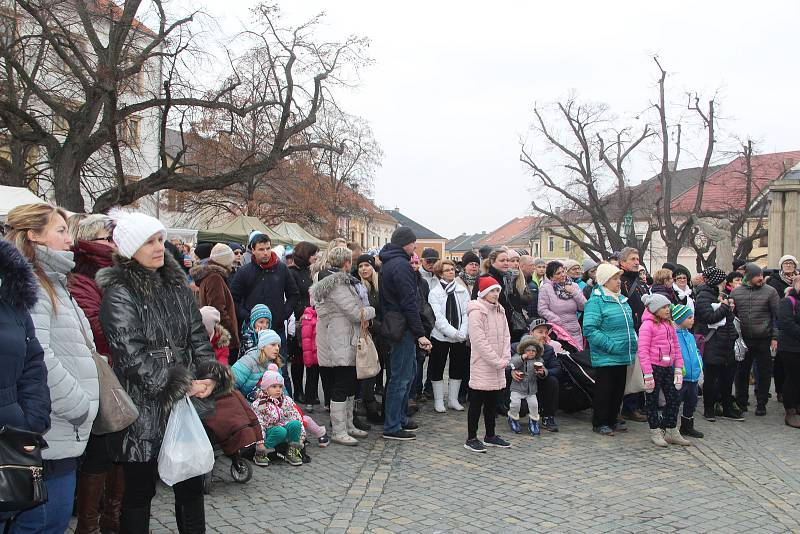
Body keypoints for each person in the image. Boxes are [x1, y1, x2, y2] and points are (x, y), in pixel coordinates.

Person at [98, 210, 229, 534]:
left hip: (183, 406)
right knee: (140, 492)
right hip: (142, 408)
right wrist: (180, 384)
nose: (159, 247)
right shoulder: (119, 293)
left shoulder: (178, 287)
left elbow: (198, 339)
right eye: (149, 241)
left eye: (160, 239)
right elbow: (130, 355)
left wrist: (210, 374)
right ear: (130, 248)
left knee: (191, 487)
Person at [6, 204, 100, 534]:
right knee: (41, 523)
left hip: (62, 431)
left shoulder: (57, 282)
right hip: (52, 428)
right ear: (34, 235)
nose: (69, 238)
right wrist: (79, 406)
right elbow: (39, 358)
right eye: (60, 231)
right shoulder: (31, 285)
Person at [67, 215, 125, 534]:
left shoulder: (118, 274)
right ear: (92, 240)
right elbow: (97, 329)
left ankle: (112, 517)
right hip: (101, 372)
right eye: (108, 237)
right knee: (101, 451)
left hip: (123, 372)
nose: (115, 242)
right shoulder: (82, 277)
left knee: (120, 449)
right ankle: (88, 524)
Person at [0, 239, 50, 530]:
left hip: (10, 440)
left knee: (31, 521)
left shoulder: (11, 297)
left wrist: (30, 419)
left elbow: (33, 363)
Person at [310, 247, 376, 446]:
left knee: (349, 385)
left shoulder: (337, 281)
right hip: (342, 337)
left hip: (345, 336)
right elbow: (355, 313)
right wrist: (372, 310)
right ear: (346, 263)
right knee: (342, 384)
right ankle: (339, 429)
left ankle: (347, 425)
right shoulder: (337, 284)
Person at [379, 227, 431, 441]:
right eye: (413, 242)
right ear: (405, 243)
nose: (415, 246)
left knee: (406, 375)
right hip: (402, 328)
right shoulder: (400, 265)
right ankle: (392, 425)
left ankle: (399, 418)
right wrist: (420, 333)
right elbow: (409, 302)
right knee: (400, 378)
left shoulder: (392, 263)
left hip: (399, 325)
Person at [231, 233, 299, 391]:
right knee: (253, 369)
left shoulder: (281, 269)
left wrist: (283, 313)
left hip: (276, 329)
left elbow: (293, 295)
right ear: (253, 250)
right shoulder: (245, 271)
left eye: (268, 248)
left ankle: (286, 407)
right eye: (261, 249)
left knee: (280, 370)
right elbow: (233, 298)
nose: (266, 253)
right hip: (253, 331)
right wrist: (247, 317)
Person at [583, 263, 638, 436]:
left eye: (618, 278)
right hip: (606, 355)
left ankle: (613, 419)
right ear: (605, 281)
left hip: (623, 354)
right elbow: (590, 329)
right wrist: (611, 345)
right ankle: (600, 422)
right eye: (615, 278)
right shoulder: (596, 301)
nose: (619, 281)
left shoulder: (621, 299)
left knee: (618, 389)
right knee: (605, 390)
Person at [464, 277, 512, 453]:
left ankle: (490, 435)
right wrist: (497, 360)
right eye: (492, 291)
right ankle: (471, 437)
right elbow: (479, 341)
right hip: (483, 364)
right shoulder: (477, 311)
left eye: (497, 290)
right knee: (477, 401)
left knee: (493, 401)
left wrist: (505, 356)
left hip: (498, 364)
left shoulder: (500, 310)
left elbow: (506, 335)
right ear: (484, 292)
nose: (495, 294)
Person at [637, 294, 690, 447]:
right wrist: (647, 373)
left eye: (668, 307)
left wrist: (679, 368)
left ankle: (671, 429)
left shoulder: (669, 324)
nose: (668, 310)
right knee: (652, 401)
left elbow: (676, 347)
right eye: (664, 307)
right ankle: (655, 430)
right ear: (655, 309)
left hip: (668, 367)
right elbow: (643, 351)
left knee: (674, 397)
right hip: (653, 367)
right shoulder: (647, 326)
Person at [694, 267, 742, 422]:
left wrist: (728, 308)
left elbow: (726, 318)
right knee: (711, 378)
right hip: (713, 342)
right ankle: (709, 409)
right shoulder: (704, 295)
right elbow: (709, 317)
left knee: (727, 378)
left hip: (726, 341)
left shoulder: (717, 294)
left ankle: (727, 407)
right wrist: (725, 307)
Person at [731, 263, 780, 416]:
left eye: (761, 275)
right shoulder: (736, 292)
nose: (760, 278)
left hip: (763, 338)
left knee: (764, 372)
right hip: (744, 338)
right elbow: (733, 316)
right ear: (749, 277)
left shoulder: (770, 292)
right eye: (757, 275)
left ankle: (761, 403)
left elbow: (776, 316)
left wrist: (774, 337)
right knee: (742, 372)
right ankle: (741, 401)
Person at [427, 259, 470, 413]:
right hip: (441, 336)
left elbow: (466, 312)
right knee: (438, 366)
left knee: (457, 366)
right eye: (447, 270)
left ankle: (453, 399)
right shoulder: (435, 292)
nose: (451, 272)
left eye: (452, 269)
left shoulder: (462, 290)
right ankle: (439, 400)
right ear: (440, 273)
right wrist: (453, 332)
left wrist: (463, 332)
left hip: (460, 335)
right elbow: (438, 317)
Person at [190, 243, 240, 363]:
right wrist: (232, 336)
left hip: (217, 336)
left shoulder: (210, 276)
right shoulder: (215, 278)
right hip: (222, 339)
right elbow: (218, 311)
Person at [251, 364, 305, 467]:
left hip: (283, 427)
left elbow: (295, 416)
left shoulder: (286, 400)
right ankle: (261, 453)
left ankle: (292, 450)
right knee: (280, 431)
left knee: (295, 424)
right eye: (274, 386)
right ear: (266, 389)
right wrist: (260, 443)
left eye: (280, 386)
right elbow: (259, 424)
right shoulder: (260, 404)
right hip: (269, 431)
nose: (278, 390)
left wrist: (301, 438)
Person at [617, 247, 648, 423]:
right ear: (623, 263)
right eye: (633, 259)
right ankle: (627, 407)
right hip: (629, 330)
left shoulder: (640, 282)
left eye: (638, 259)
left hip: (643, 330)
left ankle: (636, 405)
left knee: (639, 370)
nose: (637, 262)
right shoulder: (621, 282)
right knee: (629, 371)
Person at [288, 241, 320, 407]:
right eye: (313, 254)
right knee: (298, 358)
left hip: (311, 318)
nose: (315, 257)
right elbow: (293, 296)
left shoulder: (310, 272)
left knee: (310, 356)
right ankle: (298, 390)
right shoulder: (292, 273)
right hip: (299, 318)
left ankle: (310, 392)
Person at [356, 254, 386, 423]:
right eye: (360, 266)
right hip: (366, 335)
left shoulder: (379, 285)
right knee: (367, 372)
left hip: (381, 334)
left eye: (367, 265)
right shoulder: (359, 287)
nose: (364, 269)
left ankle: (372, 402)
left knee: (377, 370)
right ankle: (369, 405)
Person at [537, 261, 586, 350]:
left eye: (563, 271)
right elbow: (542, 309)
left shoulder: (573, 285)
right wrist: (557, 320)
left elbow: (584, 307)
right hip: (558, 330)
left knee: (578, 357)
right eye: (558, 273)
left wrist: (574, 292)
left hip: (575, 328)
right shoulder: (546, 288)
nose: (563, 275)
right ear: (551, 277)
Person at [768, 254, 797, 401]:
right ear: (781, 265)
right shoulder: (775, 281)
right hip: (781, 321)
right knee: (780, 361)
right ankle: (780, 390)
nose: (788, 265)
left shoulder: (798, 278)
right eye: (786, 263)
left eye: (791, 263)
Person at [524, 318, 562, 432]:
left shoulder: (549, 350)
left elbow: (557, 369)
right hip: (522, 386)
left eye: (546, 332)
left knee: (552, 381)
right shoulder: (518, 347)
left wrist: (544, 372)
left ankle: (548, 416)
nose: (544, 335)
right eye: (540, 332)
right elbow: (508, 366)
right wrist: (514, 371)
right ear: (531, 333)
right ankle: (513, 414)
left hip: (540, 386)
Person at [672, 304, 704, 438]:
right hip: (681, 376)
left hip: (693, 376)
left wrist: (700, 367)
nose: (692, 320)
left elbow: (696, 353)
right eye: (689, 318)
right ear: (680, 319)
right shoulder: (673, 335)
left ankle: (687, 425)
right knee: (675, 402)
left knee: (692, 402)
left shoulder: (690, 336)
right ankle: (670, 426)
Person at [507, 336, 544, 436]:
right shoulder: (517, 357)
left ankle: (534, 421)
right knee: (515, 404)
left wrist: (542, 372)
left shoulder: (539, 360)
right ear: (523, 350)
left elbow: (544, 371)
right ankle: (513, 417)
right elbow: (511, 364)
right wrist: (521, 358)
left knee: (534, 405)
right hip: (517, 387)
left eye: (533, 350)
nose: (531, 352)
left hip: (531, 390)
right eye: (528, 350)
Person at [232, 329, 283, 400]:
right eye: (273, 345)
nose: (277, 348)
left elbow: (282, 389)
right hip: (245, 405)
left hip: (269, 406)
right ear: (262, 346)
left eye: (278, 346)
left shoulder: (276, 364)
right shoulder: (248, 361)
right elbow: (230, 385)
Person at [778, 275, 800, 428]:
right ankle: (790, 410)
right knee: (792, 378)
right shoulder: (787, 301)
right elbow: (786, 323)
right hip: (791, 347)